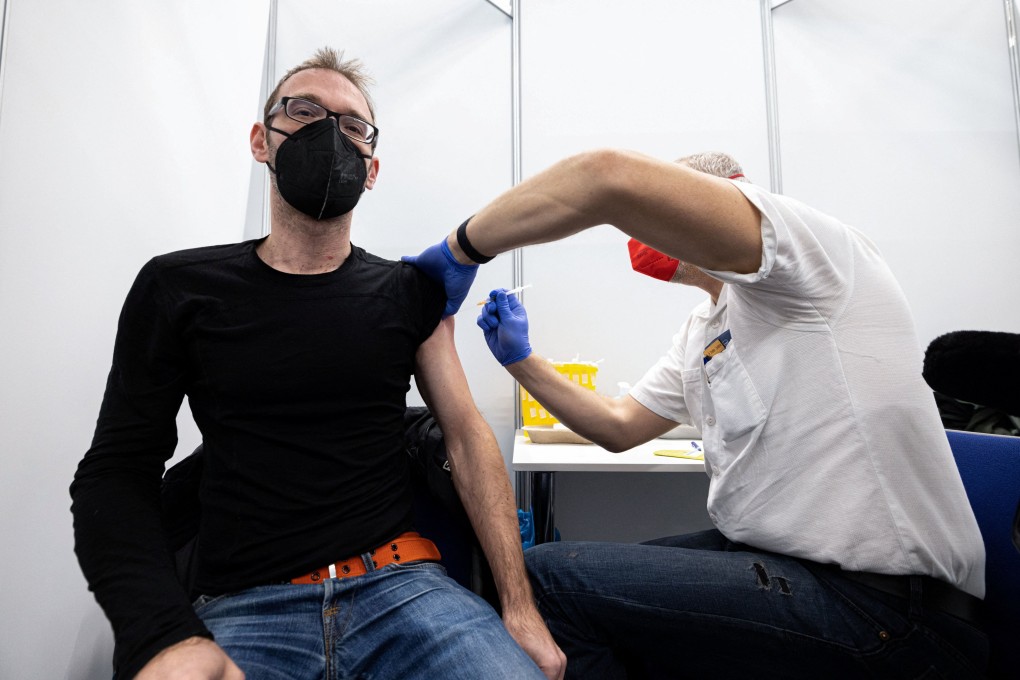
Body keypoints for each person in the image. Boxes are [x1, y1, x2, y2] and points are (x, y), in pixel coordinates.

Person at [70, 47, 565, 680]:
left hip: (405, 590)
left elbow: (467, 437)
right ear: (261, 140)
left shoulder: (406, 292)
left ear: (372, 166)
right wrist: (162, 636)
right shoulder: (179, 288)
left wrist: (518, 609)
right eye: (304, 111)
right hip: (248, 605)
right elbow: (117, 469)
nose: (330, 134)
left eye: (353, 125)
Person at [403, 150, 989, 677]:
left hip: (884, 606)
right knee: (571, 590)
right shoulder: (705, 329)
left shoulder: (812, 258)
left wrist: (462, 248)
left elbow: (606, 178)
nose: (641, 233)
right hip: (780, 569)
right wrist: (521, 360)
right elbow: (617, 426)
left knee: (549, 581)